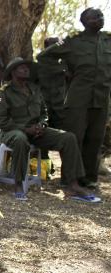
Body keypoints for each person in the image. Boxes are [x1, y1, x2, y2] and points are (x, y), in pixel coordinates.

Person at [0, 57, 100, 203]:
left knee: (68, 138)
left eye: (27, 67)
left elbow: (44, 112)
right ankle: (18, 184)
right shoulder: (5, 92)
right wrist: (25, 129)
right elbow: (1, 121)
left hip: (36, 132)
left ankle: (72, 184)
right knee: (20, 139)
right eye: (21, 67)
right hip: (13, 132)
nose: (26, 69)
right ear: (13, 72)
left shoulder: (34, 89)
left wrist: (43, 125)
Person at [37, 8, 111, 189]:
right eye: (94, 17)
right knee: (76, 139)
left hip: (101, 99)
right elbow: (44, 56)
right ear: (84, 21)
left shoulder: (108, 40)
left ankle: (89, 178)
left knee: (95, 139)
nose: (99, 19)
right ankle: (70, 178)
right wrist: (63, 71)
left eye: (101, 16)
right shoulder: (73, 41)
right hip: (79, 99)